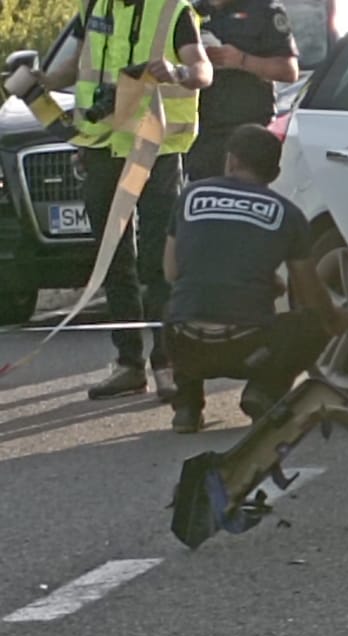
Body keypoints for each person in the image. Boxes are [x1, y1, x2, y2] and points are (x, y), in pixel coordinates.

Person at [162, 124, 348, 433]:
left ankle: (187, 405)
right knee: (313, 322)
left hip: (184, 344)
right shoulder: (288, 214)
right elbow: (310, 296)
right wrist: (336, 318)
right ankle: (264, 392)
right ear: (275, 172)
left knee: (179, 304)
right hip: (249, 350)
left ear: (231, 160)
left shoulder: (190, 196)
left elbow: (171, 272)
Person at [69, 0, 214, 400]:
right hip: (102, 150)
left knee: (156, 261)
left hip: (153, 151)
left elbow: (203, 70)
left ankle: (166, 363)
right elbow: (70, 67)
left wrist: (178, 72)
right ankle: (129, 364)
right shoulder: (94, 6)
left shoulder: (172, 10)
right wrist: (33, 80)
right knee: (112, 259)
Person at [185, 0, 299, 181]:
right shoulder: (192, 10)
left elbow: (288, 70)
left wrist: (241, 60)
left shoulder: (264, 10)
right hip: (202, 130)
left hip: (246, 130)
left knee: (242, 191)